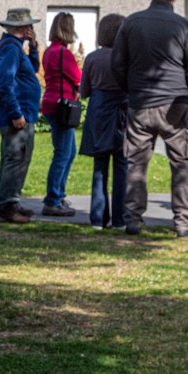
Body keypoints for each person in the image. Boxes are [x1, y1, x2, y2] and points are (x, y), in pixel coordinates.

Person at [110, 0, 188, 237]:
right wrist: (187, 91)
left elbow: (117, 63)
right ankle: (183, 222)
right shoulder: (184, 26)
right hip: (175, 104)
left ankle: (133, 220)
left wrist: (130, 88)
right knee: (181, 165)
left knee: (136, 164)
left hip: (140, 101)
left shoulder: (131, 22)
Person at [0, 8, 43, 224]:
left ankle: (12, 201)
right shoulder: (11, 49)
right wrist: (15, 112)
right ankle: (7, 206)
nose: (31, 29)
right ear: (23, 27)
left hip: (23, 112)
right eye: (29, 26)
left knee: (18, 158)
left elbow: (32, 69)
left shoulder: (16, 47)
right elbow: (6, 82)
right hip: (18, 114)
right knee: (15, 158)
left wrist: (33, 47)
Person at [79, 13, 128, 230]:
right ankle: (120, 219)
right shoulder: (126, 58)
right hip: (122, 113)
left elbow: (84, 91)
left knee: (99, 167)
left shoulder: (91, 58)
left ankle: (97, 218)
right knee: (122, 166)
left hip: (98, 112)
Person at [39, 12, 82, 217]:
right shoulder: (64, 53)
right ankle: (53, 200)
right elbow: (78, 77)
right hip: (61, 106)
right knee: (62, 154)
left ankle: (59, 195)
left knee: (68, 152)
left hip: (50, 102)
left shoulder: (49, 51)